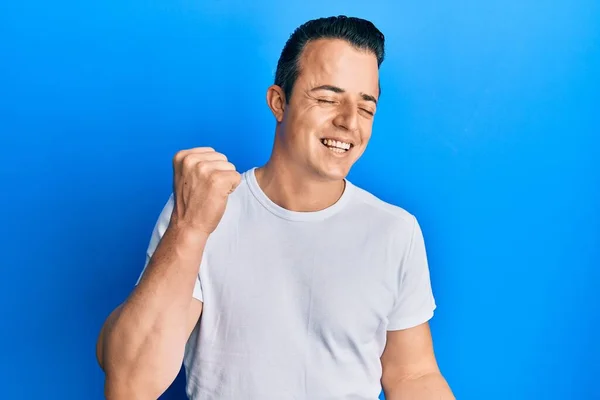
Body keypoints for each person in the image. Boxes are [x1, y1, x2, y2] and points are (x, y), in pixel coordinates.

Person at [96, 15, 455, 400]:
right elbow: (132, 380)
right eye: (327, 98)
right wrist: (189, 229)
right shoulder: (201, 211)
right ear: (278, 102)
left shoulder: (394, 231)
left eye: (366, 108)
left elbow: (412, 375)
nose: (349, 121)